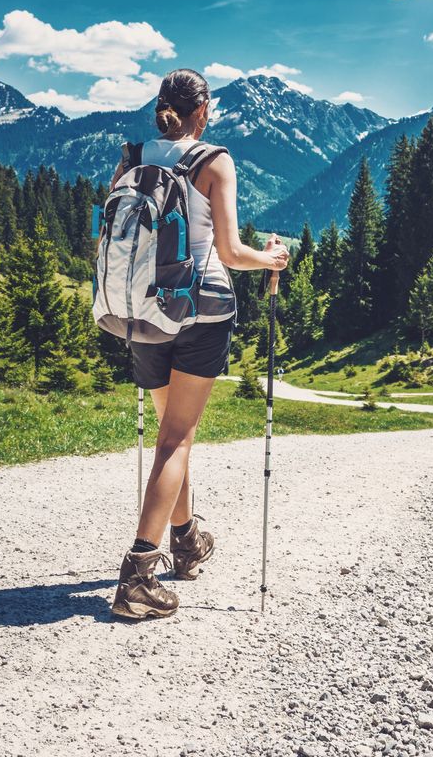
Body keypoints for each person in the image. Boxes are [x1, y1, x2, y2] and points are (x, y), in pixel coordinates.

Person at [110, 68, 289, 620]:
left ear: (160, 107)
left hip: (141, 309)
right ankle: (139, 574)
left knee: (170, 435)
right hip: (201, 310)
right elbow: (231, 252)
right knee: (177, 441)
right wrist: (272, 259)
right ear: (203, 111)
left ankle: (185, 541)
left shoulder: (133, 153)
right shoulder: (214, 160)